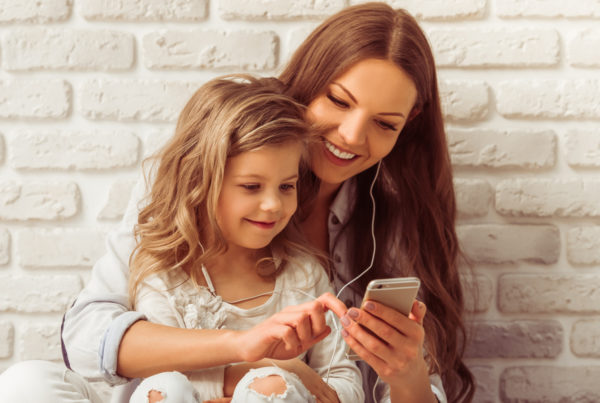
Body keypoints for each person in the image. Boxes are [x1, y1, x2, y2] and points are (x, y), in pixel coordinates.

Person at [0, 3, 474, 402]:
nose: (352, 136)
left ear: (408, 124)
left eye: (385, 124)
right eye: (337, 100)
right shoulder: (203, 176)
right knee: (26, 385)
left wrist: (406, 372)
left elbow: (347, 384)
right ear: (310, 82)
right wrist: (243, 351)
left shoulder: (389, 224)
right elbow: (84, 338)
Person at [125, 75, 363, 403]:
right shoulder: (165, 279)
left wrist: (282, 385)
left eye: (287, 186)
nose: (274, 205)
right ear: (200, 182)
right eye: (251, 187)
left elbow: (343, 384)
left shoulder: (303, 277)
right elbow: (161, 383)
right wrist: (284, 370)